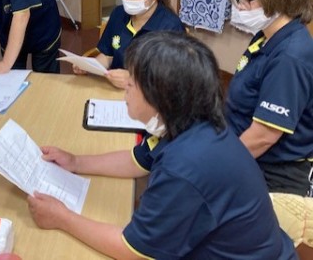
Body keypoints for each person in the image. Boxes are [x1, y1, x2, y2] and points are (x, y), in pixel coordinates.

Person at [27, 31, 296, 259]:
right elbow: (136, 161)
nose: (126, 88)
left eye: (132, 83)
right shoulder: (191, 122)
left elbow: (133, 250)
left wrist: (62, 218)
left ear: (160, 97)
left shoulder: (185, 166)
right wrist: (76, 162)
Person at [226, 0, 313, 257]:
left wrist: (219, 163)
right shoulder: (265, 38)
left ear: (279, 0)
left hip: (275, 174)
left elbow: (264, 135)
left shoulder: (290, 56)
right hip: (250, 159)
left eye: (248, 0)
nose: (240, 7)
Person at [74, 0, 184, 88]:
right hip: (112, 89)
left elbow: (173, 77)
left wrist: (133, 78)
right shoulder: (118, 14)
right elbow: (108, 56)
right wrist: (90, 66)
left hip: (149, 95)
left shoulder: (171, 27)